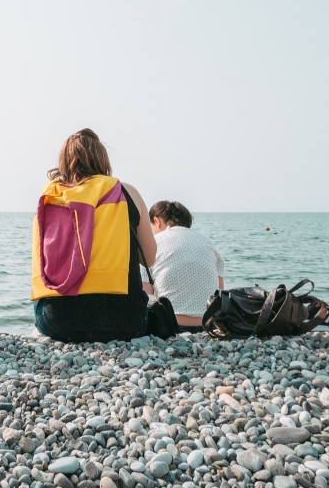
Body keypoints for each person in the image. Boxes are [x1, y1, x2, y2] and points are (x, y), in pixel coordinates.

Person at [32, 129, 156, 342]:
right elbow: (150, 257)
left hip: (59, 323)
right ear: (102, 158)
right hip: (127, 323)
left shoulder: (51, 197)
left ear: (63, 161)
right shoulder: (125, 192)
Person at [144, 201, 224, 332]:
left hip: (170, 326)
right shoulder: (209, 243)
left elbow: (146, 295)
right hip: (211, 326)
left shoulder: (153, 243)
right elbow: (220, 292)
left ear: (157, 221)